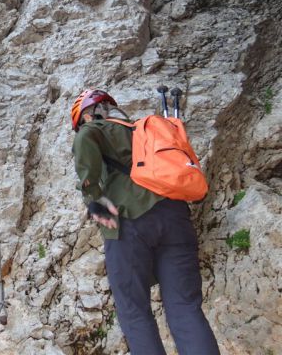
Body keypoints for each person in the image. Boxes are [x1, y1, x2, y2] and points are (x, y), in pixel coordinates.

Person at [70, 89, 220, 355]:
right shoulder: (145, 132)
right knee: (185, 307)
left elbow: (87, 161)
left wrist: (96, 202)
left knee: (134, 312)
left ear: (89, 115)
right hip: (175, 218)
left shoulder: (91, 131)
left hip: (130, 224)